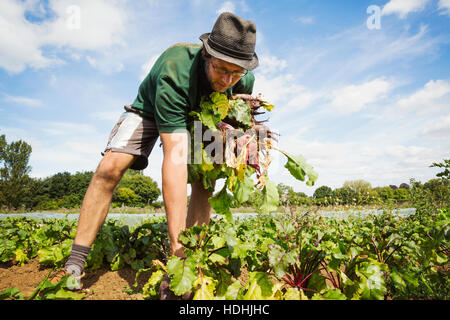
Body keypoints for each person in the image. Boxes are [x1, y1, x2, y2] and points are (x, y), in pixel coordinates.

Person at [62, 12, 259, 299]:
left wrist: (240, 145)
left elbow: (236, 127)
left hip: (202, 117)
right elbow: (176, 157)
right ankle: (76, 259)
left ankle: (189, 262)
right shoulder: (175, 69)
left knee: (205, 179)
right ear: (207, 55)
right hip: (152, 109)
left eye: (236, 73)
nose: (227, 80)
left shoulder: (243, 81)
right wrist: (174, 247)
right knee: (110, 168)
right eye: (221, 69)